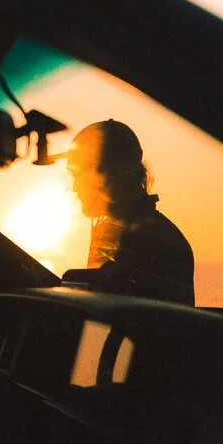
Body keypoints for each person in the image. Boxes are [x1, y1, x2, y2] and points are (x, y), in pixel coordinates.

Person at [62, 119, 195, 305]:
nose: (75, 188)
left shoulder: (153, 239)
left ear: (119, 171)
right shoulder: (112, 232)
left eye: (81, 175)